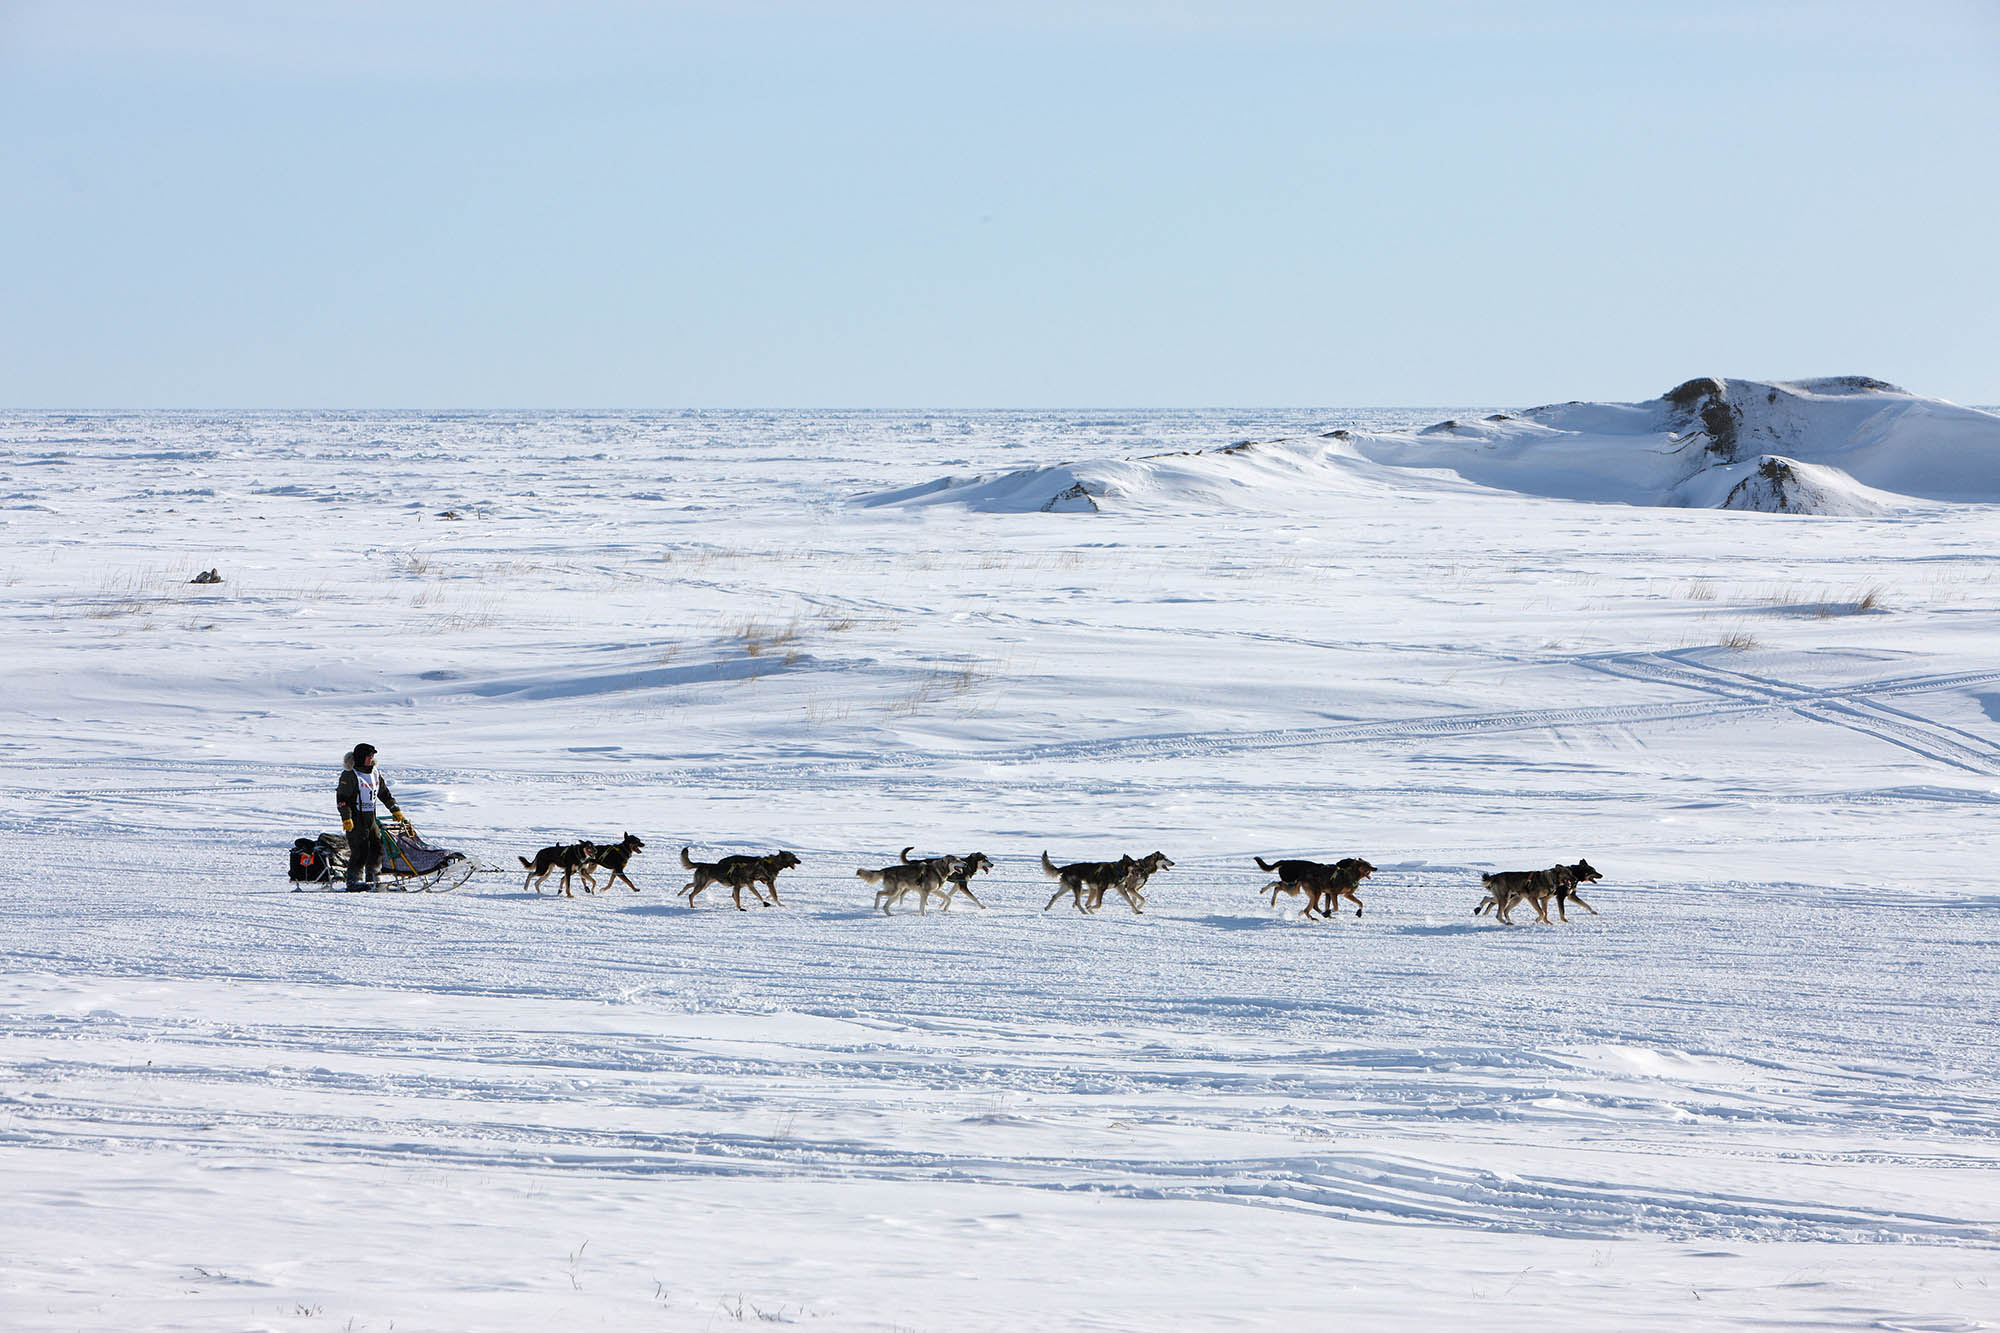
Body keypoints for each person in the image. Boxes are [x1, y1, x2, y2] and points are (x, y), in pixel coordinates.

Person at [335, 742, 405, 891]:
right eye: (368, 756)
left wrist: (394, 808)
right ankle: (354, 880)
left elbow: (384, 793)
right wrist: (346, 818)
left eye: (372, 756)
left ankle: (373, 876)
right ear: (360, 757)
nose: (371, 759)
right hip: (356, 819)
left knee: (377, 846)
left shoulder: (374, 773)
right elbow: (342, 799)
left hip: (371, 817)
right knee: (360, 849)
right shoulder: (350, 775)